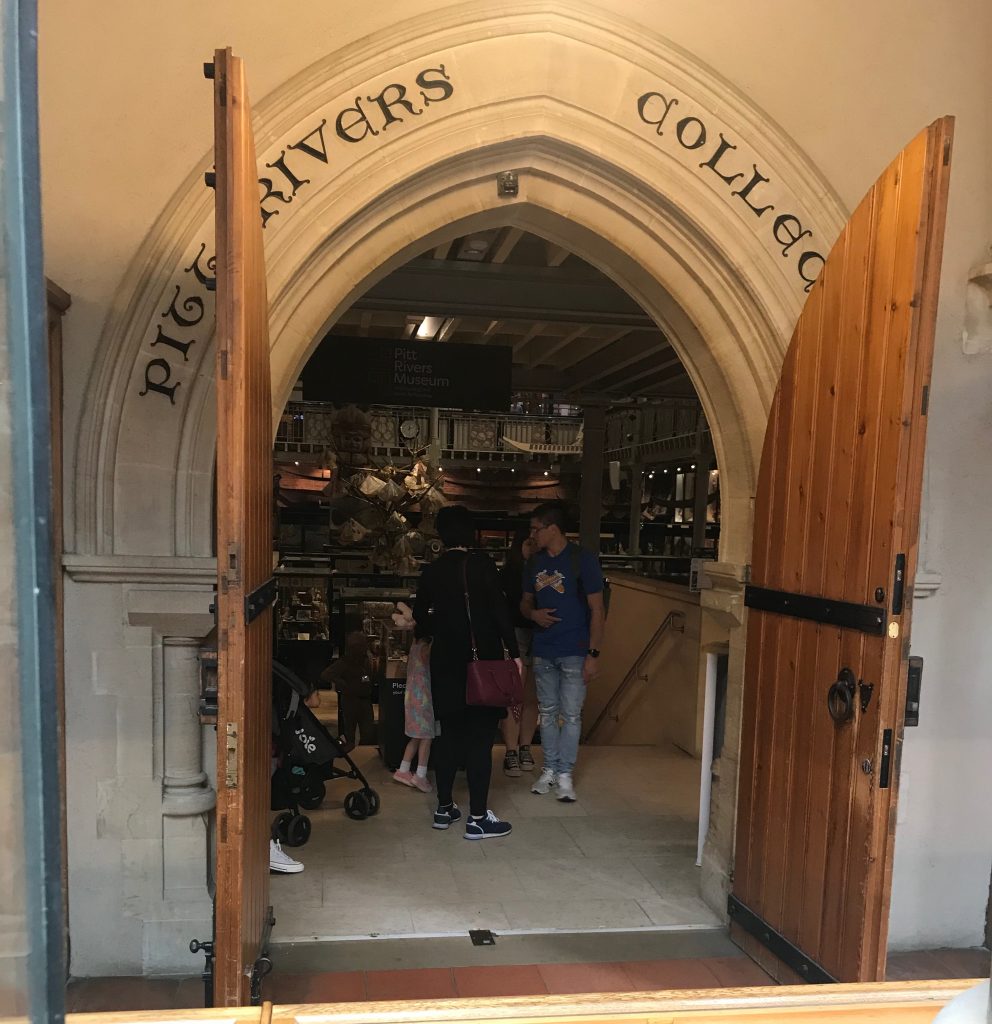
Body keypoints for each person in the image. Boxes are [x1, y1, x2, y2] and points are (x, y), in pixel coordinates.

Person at [413, 505, 522, 840]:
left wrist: (442, 627)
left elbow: (422, 618)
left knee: (448, 736)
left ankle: (444, 809)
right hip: (482, 664)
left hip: (445, 663)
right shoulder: (483, 566)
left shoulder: (431, 572)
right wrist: (514, 654)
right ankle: (477, 818)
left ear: (442, 536)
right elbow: (500, 612)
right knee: (479, 740)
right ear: (470, 533)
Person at [521, 502, 605, 803]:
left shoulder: (582, 560)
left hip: (575, 649)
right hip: (544, 648)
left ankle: (565, 773)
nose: (532, 535)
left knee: (570, 714)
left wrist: (593, 654)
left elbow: (597, 609)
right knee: (547, 713)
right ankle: (550, 769)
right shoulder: (534, 562)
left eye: (536, 529)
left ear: (552, 528)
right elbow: (524, 602)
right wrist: (533, 616)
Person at [499, 529, 539, 776]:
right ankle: (511, 750)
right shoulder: (509, 573)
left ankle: (526, 746)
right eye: (528, 541)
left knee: (533, 696)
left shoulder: (545, 570)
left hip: (542, 636)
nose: (533, 546)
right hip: (515, 636)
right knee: (513, 696)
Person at [320, 629, 374, 750]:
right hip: (350, 699)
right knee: (350, 731)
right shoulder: (345, 662)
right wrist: (342, 683)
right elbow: (325, 674)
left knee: (367, 731)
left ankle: (362, 751)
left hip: (364, 699)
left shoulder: (364, 660)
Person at [392, 638, 434, 793]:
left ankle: (403, 769)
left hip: (412, 694)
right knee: (427, 736)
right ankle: (420, 774)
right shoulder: (426, 648)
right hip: (423, 696)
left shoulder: (414, 645)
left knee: (416, 736)